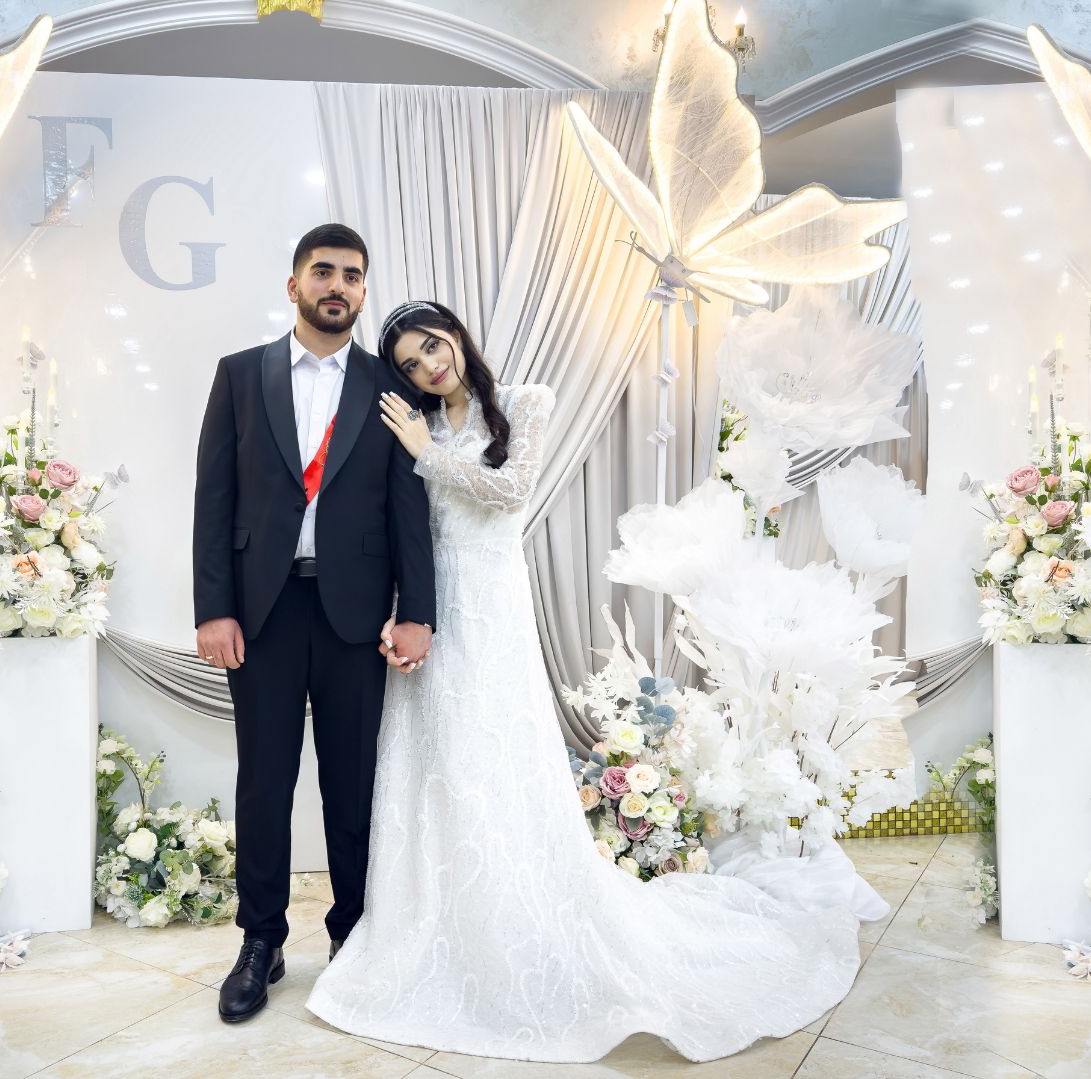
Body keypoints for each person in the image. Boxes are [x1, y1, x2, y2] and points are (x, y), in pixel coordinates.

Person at [304, 299, 860, 1063]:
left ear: (456, 336)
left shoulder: (522, 403)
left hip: (492, 607)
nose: (428, 366)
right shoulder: (414, 423)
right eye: (409, 363)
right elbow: (403, 529)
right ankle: (436, 922)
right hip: (431, 609)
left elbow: (510, 490)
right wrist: (402, 611)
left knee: (496, 760)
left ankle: (517, 919)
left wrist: (425, 451)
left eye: (432, 346)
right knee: (434, 765)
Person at [191, 224, 436, 1024]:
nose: (338, 285)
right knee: (264, 781)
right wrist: (213, 607)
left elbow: (409, 507)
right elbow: (213, 498)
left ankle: (352, 935)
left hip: (354, 614)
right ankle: (259, 940)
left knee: (351, 783)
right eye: (323, 271)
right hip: (261, 611)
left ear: (362, 291)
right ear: (293, 284)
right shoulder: (239, 374)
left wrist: (417, 612)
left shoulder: (390, 386)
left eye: (352, 275)